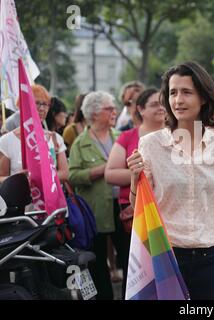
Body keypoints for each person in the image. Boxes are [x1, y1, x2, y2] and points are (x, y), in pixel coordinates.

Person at [126, 62, 214, 300]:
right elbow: (138, 205)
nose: (178, 99)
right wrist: (133, 179)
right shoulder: (151, 145)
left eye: (186, 92)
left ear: (203, 97)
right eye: (172, 92)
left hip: (207, 258)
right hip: (163, 255)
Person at [68, 91, 129, 300]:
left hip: (121, 205)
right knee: (98, 258)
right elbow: (72, 175)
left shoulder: (120, 136)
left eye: (114, 108)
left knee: (129, 254)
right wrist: (102, 170)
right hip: (95, 209)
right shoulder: (80, 143)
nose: (115, 112)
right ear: (94, 114)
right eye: (109, 108)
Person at [105, 87, 166, 221]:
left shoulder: (176, 136)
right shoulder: (127, 137)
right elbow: (110, 174)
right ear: (140, 109)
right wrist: (143, 174)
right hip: (135, 208)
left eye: (163, 103)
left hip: (168, 207)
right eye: (155, 104)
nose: (161, 108)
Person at [0, 84, 68, 184]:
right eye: (36, 103)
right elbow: (1, 177)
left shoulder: (55, 138)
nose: (42, 109)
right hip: (20, 198)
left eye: (45, 104)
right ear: (23, 106)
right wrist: (18, 178)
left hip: (49, 199)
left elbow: (65, 173)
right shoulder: (7, 141)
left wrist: (42, 177)